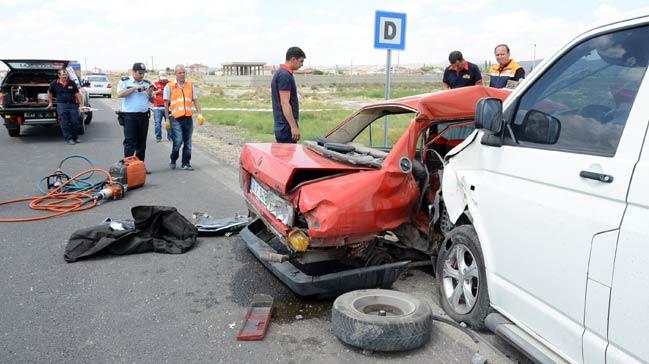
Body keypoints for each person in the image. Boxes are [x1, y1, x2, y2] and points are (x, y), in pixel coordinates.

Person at [164, 64, 203, 171]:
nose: (182, 75)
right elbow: (166, 104)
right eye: (180, 73)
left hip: (188, 118)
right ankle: (173, 159)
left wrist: (199, 114)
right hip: (175, 118)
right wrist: (167, 119)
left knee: (188, 142)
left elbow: (195, 100)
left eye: (183, 72)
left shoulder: (190, 85)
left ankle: (186, 163)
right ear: (175, 74)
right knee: (178, 141)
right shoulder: (169, 86)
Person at [117, 62, 154, 167]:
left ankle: (140, 166)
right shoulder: (125, 81)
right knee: (130, 141)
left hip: (143, 116)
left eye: (143, 73)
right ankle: (127, 166)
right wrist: (134, 88)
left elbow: (152, 100)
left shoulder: (147, 83)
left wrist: (150, 94)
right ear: (133, 72)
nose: (142, 75)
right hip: (130, 116)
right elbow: (119, 94)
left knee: (142, 143)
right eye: (140, 73)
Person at [271, 46, 306, 143]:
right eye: (301, 61)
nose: (302, 65)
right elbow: (285, 103)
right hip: (286, 126)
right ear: (293, 59)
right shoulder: (284, 76)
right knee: (287, 157)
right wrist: (294, 127)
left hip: (283, 125)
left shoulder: (281, 73)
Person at [47, 68, 84, 145]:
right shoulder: (54, 83)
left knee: (75, 122)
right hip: (61, 105)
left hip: (72, 105)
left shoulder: (72, 83)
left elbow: (77, 94)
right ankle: (69, 139)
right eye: (63, 74)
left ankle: (75, 137)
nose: (65, 76)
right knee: (64, 123)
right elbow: (49, 92)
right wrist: (50, 102)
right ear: (59, 75)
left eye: (66, 74)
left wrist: (81, 104)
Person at [152, 73, 172, 142]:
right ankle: (158, 137)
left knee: (169, 122)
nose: (163, 80)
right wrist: (158, 91)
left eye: (164, 79)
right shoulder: (155, 84)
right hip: (157, 107)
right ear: (159, 78)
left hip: (168, 107)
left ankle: (170, 137)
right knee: (157, 123)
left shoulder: (170, 83)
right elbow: (150, 93)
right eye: (162, 79)